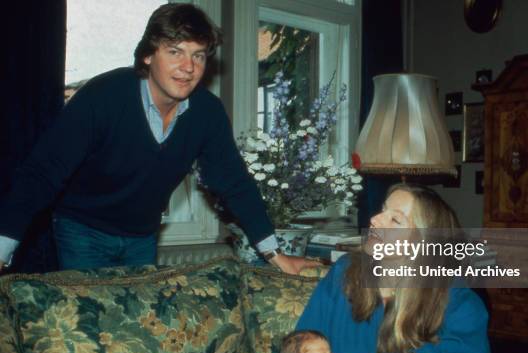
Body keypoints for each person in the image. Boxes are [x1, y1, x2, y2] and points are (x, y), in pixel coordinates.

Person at [0, 3, 312, 274]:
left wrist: (274, 253)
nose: (188, 67)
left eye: (198, 56)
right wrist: (2, 248)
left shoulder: (207, 113)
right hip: (83, 231)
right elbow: (42, 174)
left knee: (137, 330)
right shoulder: (103, 96)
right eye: (175, 52)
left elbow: (234, 183)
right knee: (92, 327)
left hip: (142, 236)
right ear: (149, 55)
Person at [296, 184, 494, 353]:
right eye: (383, 210)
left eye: (395, 219)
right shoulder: (345, 271)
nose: (374, 219)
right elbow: (301, 344)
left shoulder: (453, 294)